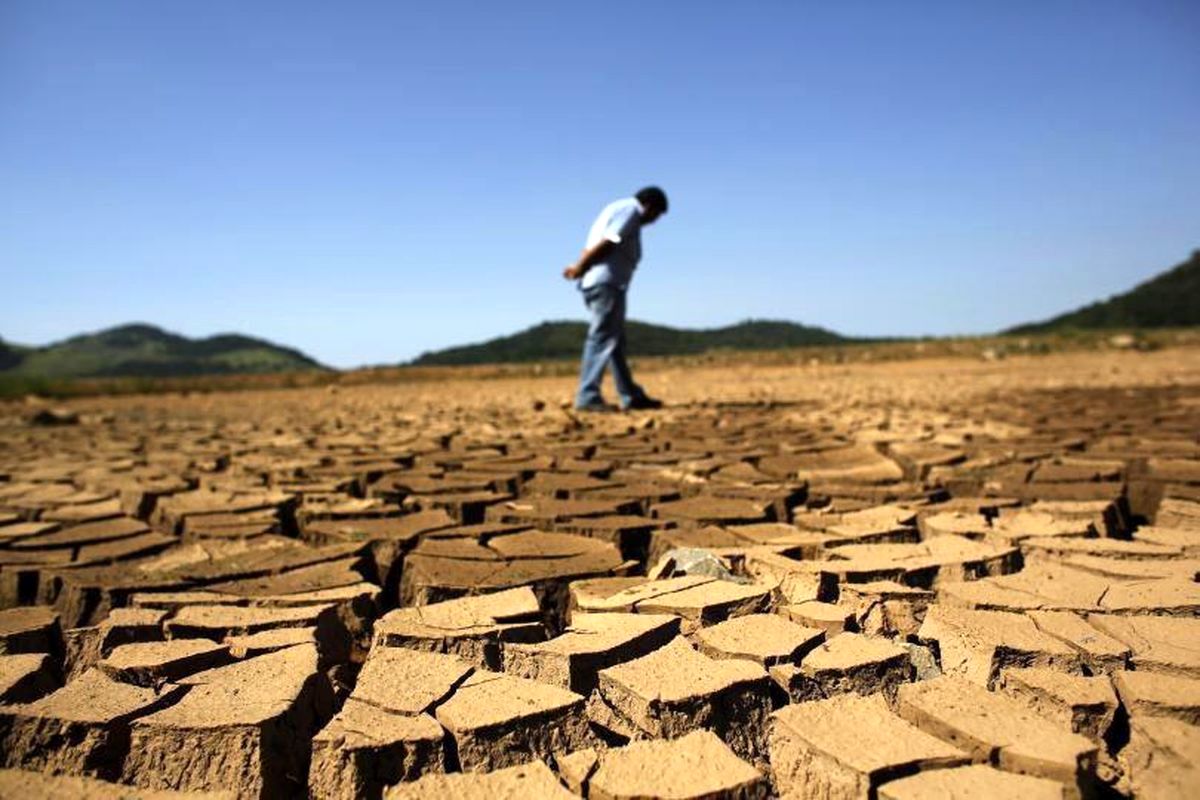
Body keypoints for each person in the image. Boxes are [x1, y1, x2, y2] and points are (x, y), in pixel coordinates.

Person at [562, 186, 668, 412]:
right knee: (602, 339)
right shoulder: (630, 211)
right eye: (656, 215)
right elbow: (610, 240)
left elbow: (594, 243)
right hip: (606, 283)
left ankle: (630, 394)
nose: (654, 221)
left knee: (614, 342)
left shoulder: (615, 209)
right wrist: (581, 266)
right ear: (649, 206)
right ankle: (587, 396)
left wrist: (580, 265)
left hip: (599, 282)